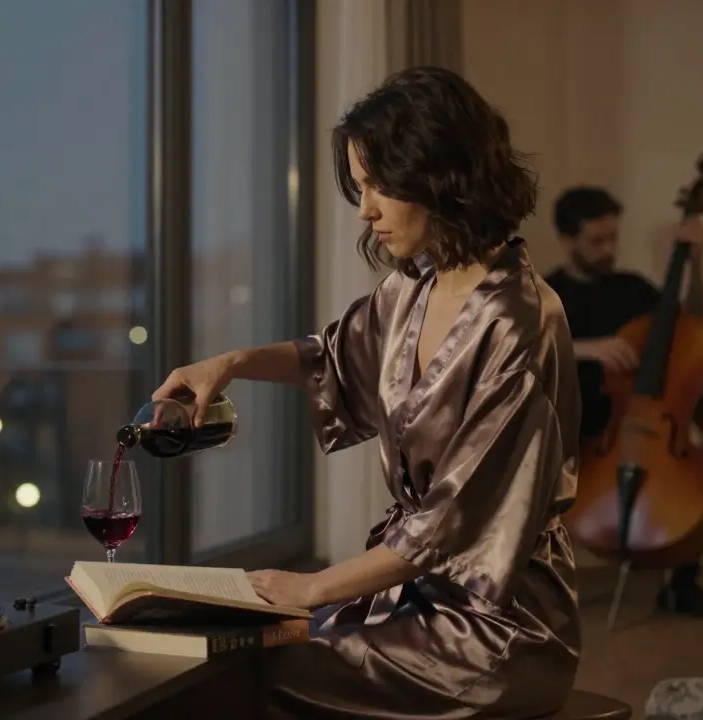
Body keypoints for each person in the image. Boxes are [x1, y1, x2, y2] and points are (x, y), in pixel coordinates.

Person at [152, 66, 582, 719]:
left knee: (261, 675)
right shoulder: (414, 285)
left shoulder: (523, 323)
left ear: (441, 174)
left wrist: (314, 586)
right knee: (234, 655)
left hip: (497, 626)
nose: (366, 209)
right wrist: (229, 363)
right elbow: (329, 355)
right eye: (360, 187)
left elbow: (451, 521)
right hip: (414, 599)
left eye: (380, 185)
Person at [545, 186, 703, 617]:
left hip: (645, 422)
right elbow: (519, 347)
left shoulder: (630, 288)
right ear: (567, 239)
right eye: (597, 241)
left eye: (613, 238)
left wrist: (696, 261)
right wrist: (588, 348)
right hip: (584, 430)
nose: (609, 249)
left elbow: (689, 326)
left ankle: (680, 583)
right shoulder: (546, 294)